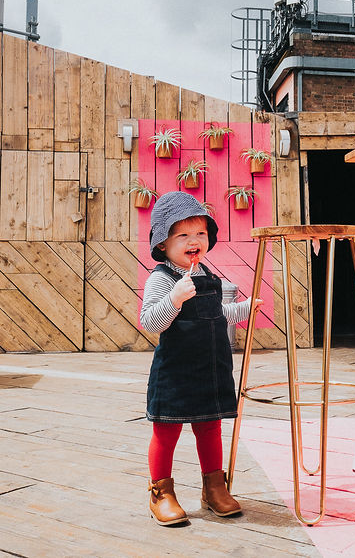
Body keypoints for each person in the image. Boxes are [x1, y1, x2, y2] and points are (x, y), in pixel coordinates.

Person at [140, 191, 258, 526]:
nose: (194, 241)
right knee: (167, 433)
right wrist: (174, 300)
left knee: (210, 429)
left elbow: (217, 314)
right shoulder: (161, 279)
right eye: (183, 235)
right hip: (176, 374)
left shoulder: (206, 275)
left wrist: (246, 309)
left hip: (210, 369)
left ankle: (213, 488)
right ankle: (161, 493)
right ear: (163, 243)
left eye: (201, 234)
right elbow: (150, 322)